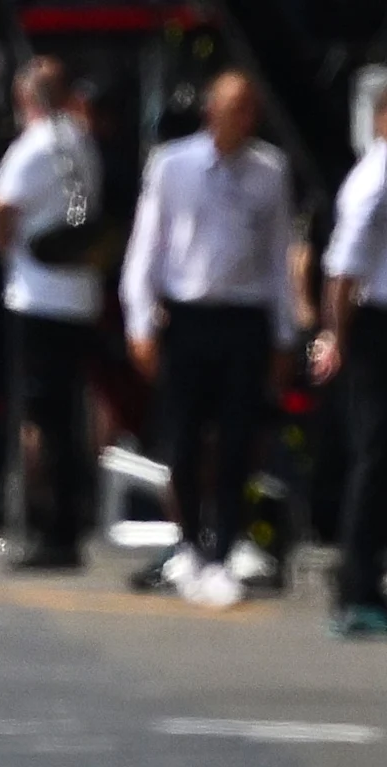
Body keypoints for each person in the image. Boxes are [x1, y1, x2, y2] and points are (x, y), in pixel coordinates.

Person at [117, 71, 298, 606]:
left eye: (247, 110)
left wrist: (285, 335)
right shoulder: (173, 165)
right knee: (183, 436)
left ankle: (224, 548)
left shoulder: (270, 171)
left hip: (244, 317)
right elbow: (146, 245)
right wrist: (140, 322)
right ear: (210, 112)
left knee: (239, 438)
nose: (238, 120)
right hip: (189, 315)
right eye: (230, 109)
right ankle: (190, 543)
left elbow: (278, 255)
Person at [0, 58, 105, 572]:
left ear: (26, 100)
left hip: (38, 294)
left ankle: (47, 526)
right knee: (70, 413)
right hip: (79, 295)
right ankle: (70, 520)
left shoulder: (34, 147)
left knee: (39, 421)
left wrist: (10, 249)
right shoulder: (81, 142)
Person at [312, 74, 387, 639]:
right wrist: (336, 336)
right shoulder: (373, 179)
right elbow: (342, 269)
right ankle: (354, 587)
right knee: (373, 454)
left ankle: (376, 572)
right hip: (376, 326)